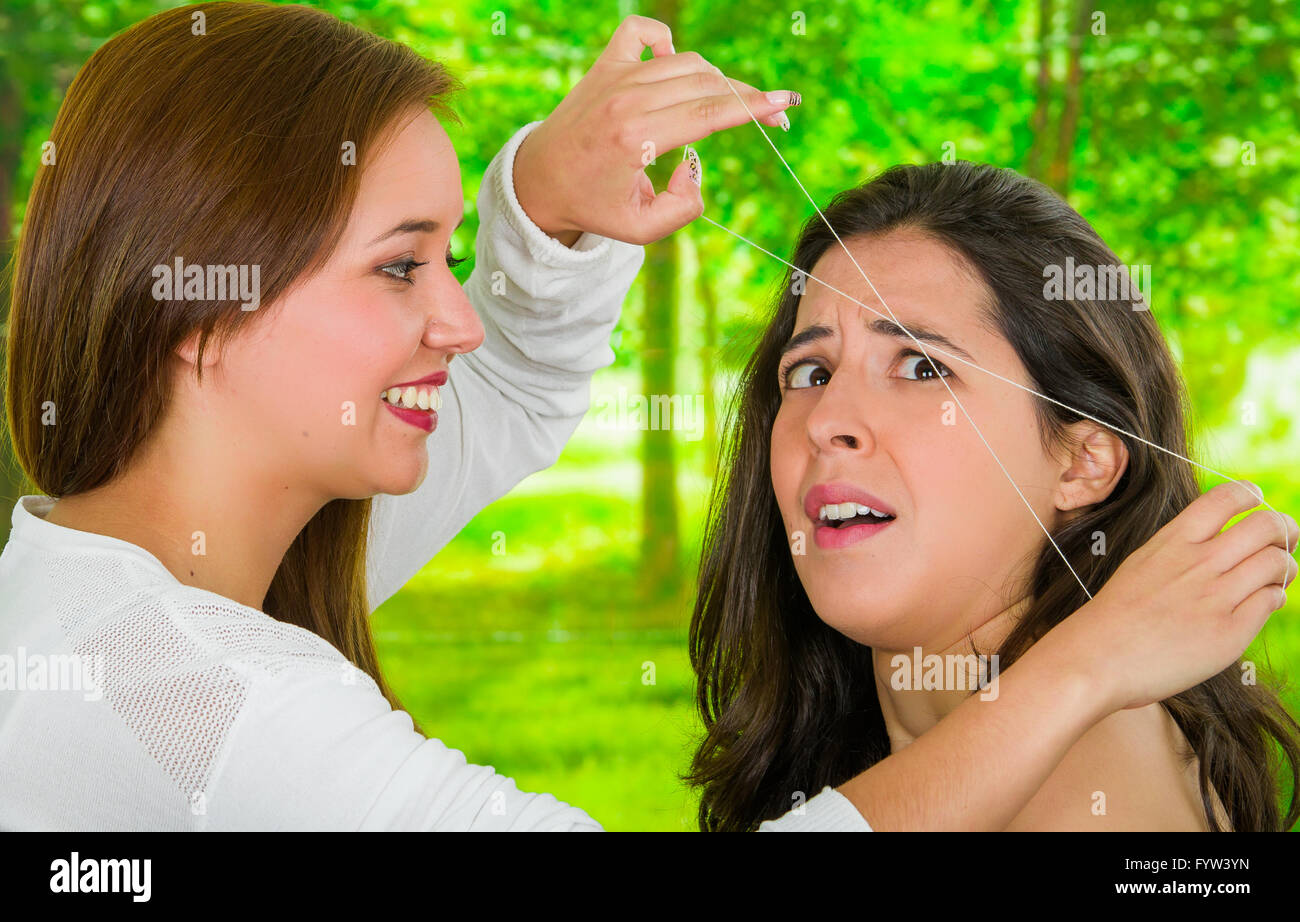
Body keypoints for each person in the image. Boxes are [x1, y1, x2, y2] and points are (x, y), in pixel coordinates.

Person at [0, 3, 1290, 831]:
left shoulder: (137, 579)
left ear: (1087, 458)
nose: (456, 320)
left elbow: (510, 385)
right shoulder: (183, 682)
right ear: (204, 302)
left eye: (919, 366)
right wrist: (1087, 662)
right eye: (401, 265)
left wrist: (546, 203)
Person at [686, 160, 1300, 831]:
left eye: (922, 366)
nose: (827, 420)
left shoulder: (1088, 795)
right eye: (811, 372)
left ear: (1082, 463)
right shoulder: (881, 753)